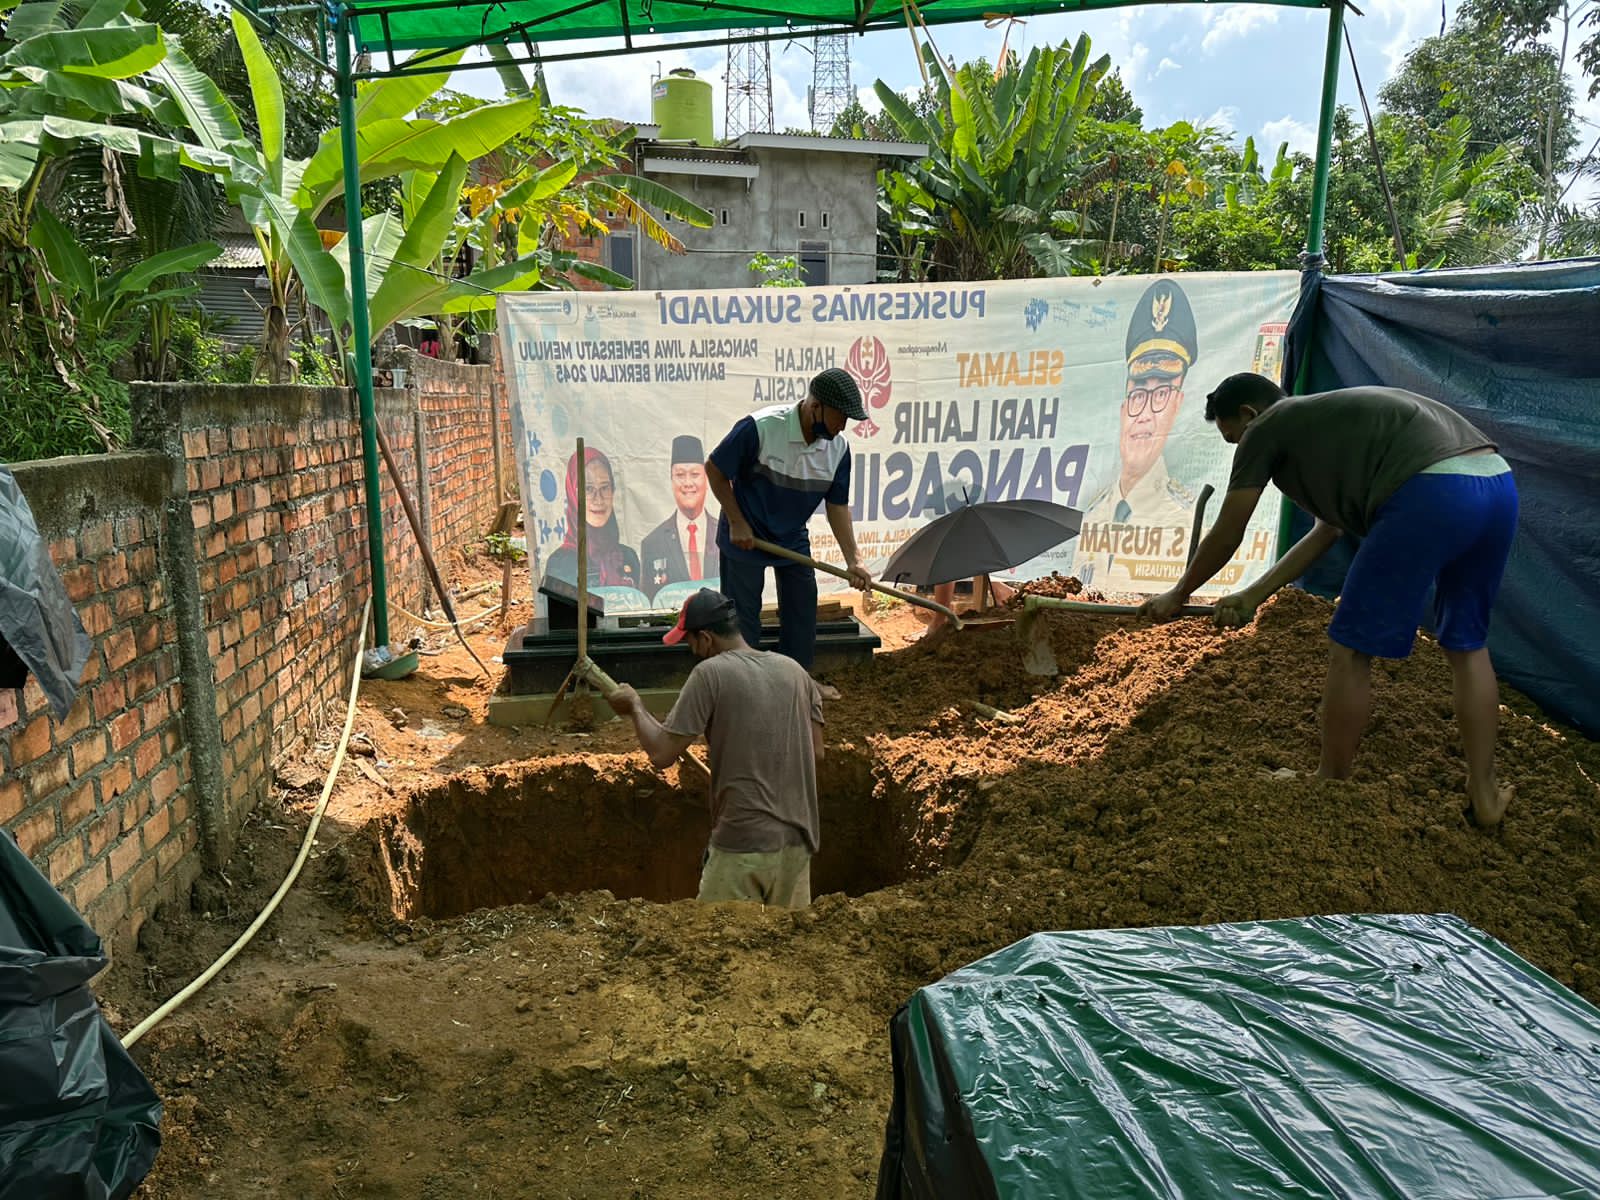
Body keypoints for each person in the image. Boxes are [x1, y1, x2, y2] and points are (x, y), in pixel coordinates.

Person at [1139, 373, 1520, 828]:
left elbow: (1229, 531)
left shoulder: (1268, 425)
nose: (1238, 448)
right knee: (1466, 645)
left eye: (1232, 437)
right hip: (1497, 485)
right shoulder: (1323, 423)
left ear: (1248, 414)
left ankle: (1329, 783)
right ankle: (1485, 792)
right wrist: (1252, 595)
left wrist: (1178, 593)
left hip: (1431, 490)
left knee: (1350, 649)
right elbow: (1327, 531)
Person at [605, 589, 824, 908]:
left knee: (719, 950)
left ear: (706, 638)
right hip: (798, 845)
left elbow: (663, 754)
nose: (692, 651)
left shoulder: (710, 674)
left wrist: (636, 708)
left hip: (742, 846)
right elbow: (817, 753)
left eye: (690, 642)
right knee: (786, 952)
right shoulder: (796, 673)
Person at [706, 367, 873, 682]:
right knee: (742, 624)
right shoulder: (761, 428)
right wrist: (737, 521)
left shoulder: (838, 448)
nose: (843, 426)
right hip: (747, 535)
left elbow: (836, 506)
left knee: (802, 616)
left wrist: (854, 559)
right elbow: (714, 469)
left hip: (791, 535)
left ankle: (793, 685)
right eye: (840, 417)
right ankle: (745, 687)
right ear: (815, 408)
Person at [1074, 280, 1200, 592]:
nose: (1144, 414)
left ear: (1176, 407)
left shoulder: (1186, 518)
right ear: (1122, 409)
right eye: (1137, 394)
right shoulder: (1093, 514)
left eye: (1160, 396)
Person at [542, 446, 642, 590]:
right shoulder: (560, 563)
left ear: (613, 491)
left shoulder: (628, 557)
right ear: (572, 495)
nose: (598, 499)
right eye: (588, 489)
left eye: (605, 487)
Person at [641, 435, 721, 596]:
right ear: (671, 480)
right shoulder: (653, 543)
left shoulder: (725, 534)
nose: (687, 483)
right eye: (680, 475)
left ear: (706, 480)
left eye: (694, 474)